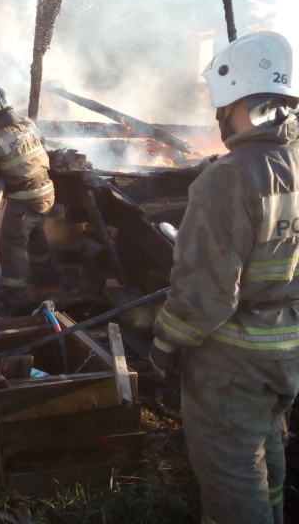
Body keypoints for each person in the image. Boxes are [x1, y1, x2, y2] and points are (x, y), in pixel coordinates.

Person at [149, 31, 299, 524]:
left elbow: (205, 294)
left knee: (233, 477)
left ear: (234, 101)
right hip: (288, 350)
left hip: (234, 359)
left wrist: (167, 343)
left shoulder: (230, 176)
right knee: (265, 447)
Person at [0, 86, 56, 316]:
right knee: (36, 236)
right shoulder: (28, 123)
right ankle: (46, 282)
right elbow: (41, 144)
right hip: (47, 192)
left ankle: (15, 302)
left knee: (11, 249)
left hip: (24, 201)